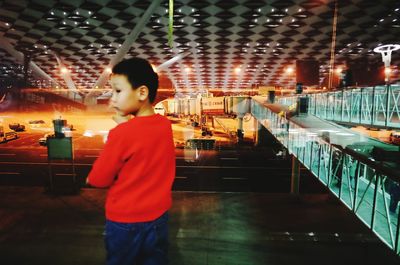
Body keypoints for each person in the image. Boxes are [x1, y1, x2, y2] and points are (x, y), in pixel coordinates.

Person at [87, 57, 176, 265]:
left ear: (142, 93)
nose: (113, 99)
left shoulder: (122, 133)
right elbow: (144, 141)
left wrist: (121, 129)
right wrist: (126, 126)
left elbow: (99, 179)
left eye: (118, 91)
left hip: (125, 221)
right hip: (158, 216)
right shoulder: (164, 125)